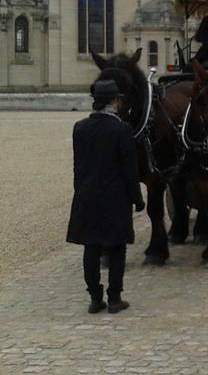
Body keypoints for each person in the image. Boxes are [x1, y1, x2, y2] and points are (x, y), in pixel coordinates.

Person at [66, 79, 145, 314]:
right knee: (116, 247)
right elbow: (130, 170)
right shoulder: (122, 130)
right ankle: (114, 298)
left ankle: (94, 298)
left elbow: (77, 166)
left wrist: (80, 192)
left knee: (91, 247)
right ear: (115, 101)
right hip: (115, 196)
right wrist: (137, 199)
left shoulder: (80, 128)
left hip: (87, 195)